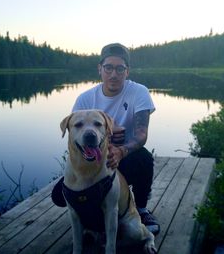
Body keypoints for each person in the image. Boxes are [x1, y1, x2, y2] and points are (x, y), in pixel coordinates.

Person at [52, 43, 160, 235]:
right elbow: (76, 134)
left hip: (125, 155)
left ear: (127, 71)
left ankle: (141, 209)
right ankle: (91, 217)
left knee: (144, 160)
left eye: (120, 68)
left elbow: (141, 134)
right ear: (100, 69)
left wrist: (120, 151)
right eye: (108, 68)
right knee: (59, 196)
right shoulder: (85, 98)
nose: (114, 74)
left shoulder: (139, 92)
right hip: (93, 156)